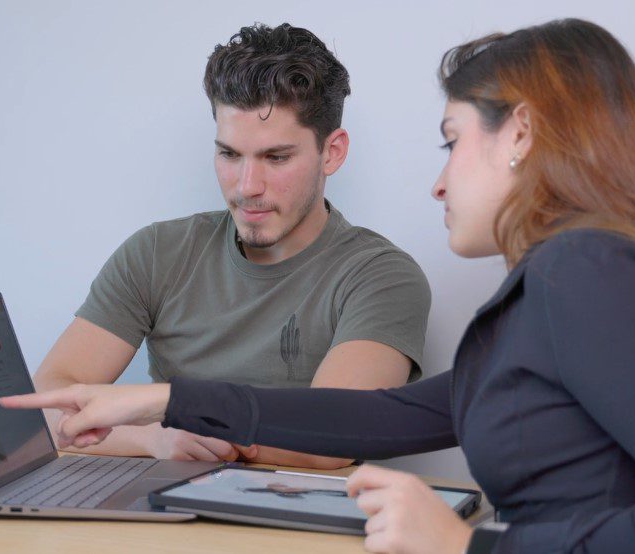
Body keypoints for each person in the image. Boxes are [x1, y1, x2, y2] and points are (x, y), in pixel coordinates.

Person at [2, 18, 635, 553]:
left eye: (453, 141)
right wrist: (165, 401)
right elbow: (379, 419)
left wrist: (465, 546)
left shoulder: (585, 271)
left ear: (519, 135)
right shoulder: (548, 292)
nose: (437, 181)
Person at [32, 22, 431, 470]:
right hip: (164, 518)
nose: (247, 186)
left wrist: (184, 418)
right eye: (229, 154)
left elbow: (331, 439)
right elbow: (45, 407)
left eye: (276, 158)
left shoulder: (381, 276)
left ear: (332, 152)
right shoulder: (156, 252)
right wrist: (152, 438)